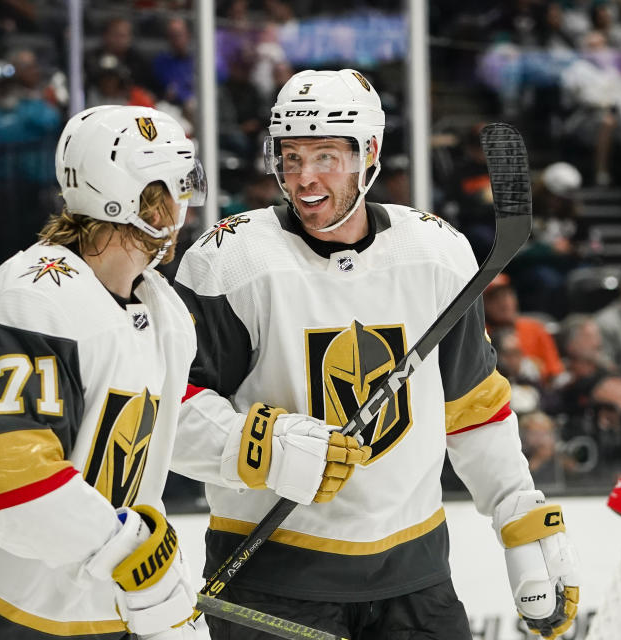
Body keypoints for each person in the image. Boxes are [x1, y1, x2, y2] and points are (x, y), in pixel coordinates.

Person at [171, 69, 580, 640]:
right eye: (290, 158)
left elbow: (472, 405)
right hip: (272, 579)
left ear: (370, 152)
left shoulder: (436, 253)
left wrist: (519, 517)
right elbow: (168, 408)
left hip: (415, 577)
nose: (304, 179)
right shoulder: (230, 261)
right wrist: (260, 446)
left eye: (325, 157)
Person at [0, 105, 209, 640]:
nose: (185, 203)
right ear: (138, 199)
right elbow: (14, 486)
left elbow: (159, 440)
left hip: (61, 614)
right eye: (174, 186)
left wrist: (270, 447)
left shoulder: (161, 313)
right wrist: (136, 559)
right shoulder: (39, 292)